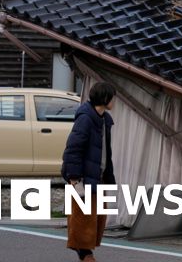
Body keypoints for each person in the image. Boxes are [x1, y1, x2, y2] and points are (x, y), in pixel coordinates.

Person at [62, 82, 116, 262]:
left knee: (96, 220)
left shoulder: (103, 119)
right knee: (83, 221)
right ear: (105, 98)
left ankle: (85, 254)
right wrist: (74, 179)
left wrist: (108, 177)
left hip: (98, 176)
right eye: (112, 97)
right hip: (83, 178)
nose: (114, 101)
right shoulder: (85, 118)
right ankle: (86, 255)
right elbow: (73, 149)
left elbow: (105, 152)